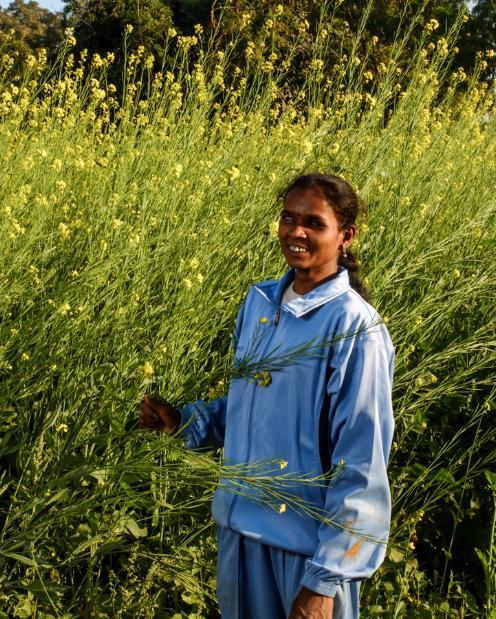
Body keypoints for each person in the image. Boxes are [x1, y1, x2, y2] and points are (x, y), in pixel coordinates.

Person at [138, 172, 395, 619]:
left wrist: (325, 580)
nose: (296, 232)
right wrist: (186, 422)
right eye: (288, 218)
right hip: (239, 533)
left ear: (345, 236)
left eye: (314, 223)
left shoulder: (355, 329)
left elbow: (362, 461)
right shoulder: (259, 303)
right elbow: (250, 409)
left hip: (304, 551)